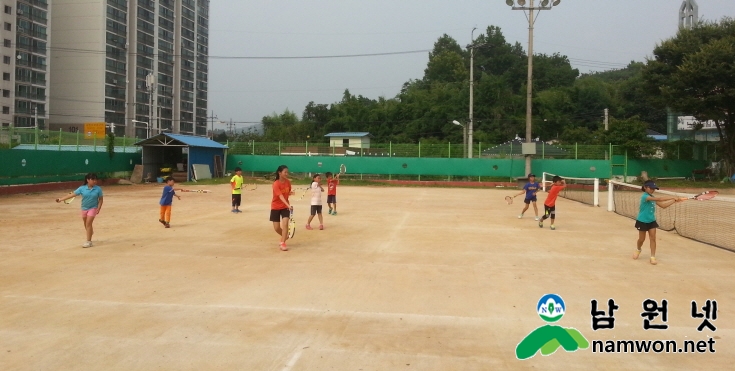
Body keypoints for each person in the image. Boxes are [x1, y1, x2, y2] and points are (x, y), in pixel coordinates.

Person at [633, 180, 682, 265]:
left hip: (651, 221)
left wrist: (674, 201)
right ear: (645, 188)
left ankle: (652, 257)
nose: (652, 190)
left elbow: (663, 206)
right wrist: (672, 197)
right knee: (642, 239)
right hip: (642, 221)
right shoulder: (645, 197)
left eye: (654, 188)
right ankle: (638, 249)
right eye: (651, 188)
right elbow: (660, 199)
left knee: (653, 238)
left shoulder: (652, 197)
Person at [55, 173, 104, 248]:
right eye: (93, 179)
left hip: (93, 208)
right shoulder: (82, 188)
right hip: (84, 208)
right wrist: (60, 199)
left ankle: (88, 241)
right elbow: (72, 195)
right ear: (88, 180)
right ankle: (90, 232)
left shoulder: (98, 189)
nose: (95, 181)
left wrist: (99, 208)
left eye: (96, 179)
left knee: (88, 223)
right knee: (86, 224)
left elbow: (100, 199)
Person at [270, 165, 295, 251]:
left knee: (285, 224)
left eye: (287, 172)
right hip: (275, 207)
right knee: (276, 228)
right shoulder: (276, 184)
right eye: (285, 172)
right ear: (279, 173)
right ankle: (285, 236)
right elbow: (280, 196)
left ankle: (283, 242)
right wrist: (289, 205)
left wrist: (290, 193)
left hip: (285, 207)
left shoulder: (288, 182)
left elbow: (286, 193)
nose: (287, 174)